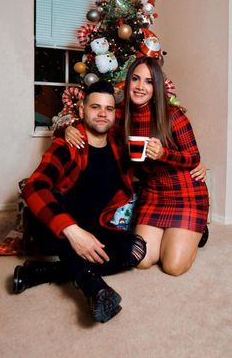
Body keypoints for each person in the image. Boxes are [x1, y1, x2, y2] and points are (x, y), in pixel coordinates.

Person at [12, 80, 146, 323]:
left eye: (108, 108)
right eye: (95, 107)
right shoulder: (67, 145)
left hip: (94, 228)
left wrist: (192, 164)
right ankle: (92, 287)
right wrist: (72, 231)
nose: (103, 114)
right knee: (50, 200)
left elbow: (149, 167)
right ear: (83, 110)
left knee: (136, 248)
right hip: (58, 231)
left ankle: (41, 272)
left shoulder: (118, 146)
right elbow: (34, 187)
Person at [65, 56, 209, 276]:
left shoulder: (173, 115)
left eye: (149, 82)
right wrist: (69, 129)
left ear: (157, 86)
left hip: (185, 194)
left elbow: (193, 157)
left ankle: (197, 231)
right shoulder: (121, 113)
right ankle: (181, 235)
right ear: (128, 81)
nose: (141, 87)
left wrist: (163, 154)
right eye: (136, 79)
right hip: (153, 194)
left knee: (172, 266)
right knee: (141, 259)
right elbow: (95, 119)